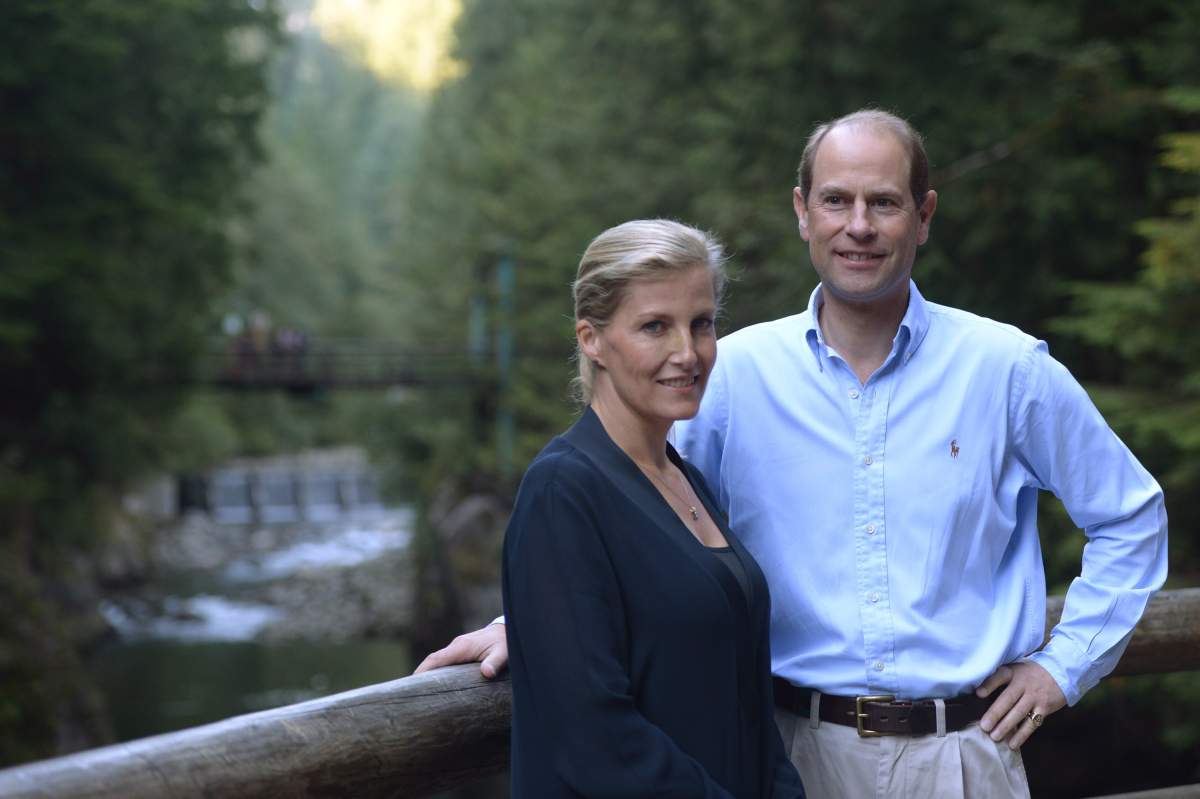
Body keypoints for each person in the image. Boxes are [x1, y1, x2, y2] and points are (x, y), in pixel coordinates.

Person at [416, 111, 1168, 798]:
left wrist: (1063, 666)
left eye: (884, 202)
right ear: (803, 211)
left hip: (962, 759)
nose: (858, 226)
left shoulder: (1007, 370)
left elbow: (1131, 517)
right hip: (786, 752)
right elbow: (638, 521)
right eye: (837, 200)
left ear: (925, 216)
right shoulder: (728, 377)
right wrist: (528, 622)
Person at [498, 219, 804, 797]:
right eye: (654, 327)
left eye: (701, 324)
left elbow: (750, 703)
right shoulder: (562, 491)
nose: (687, 353)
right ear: (591, 339)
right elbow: (594, 741)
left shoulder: (683, 478)